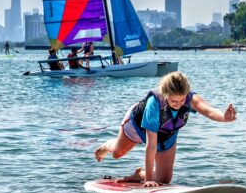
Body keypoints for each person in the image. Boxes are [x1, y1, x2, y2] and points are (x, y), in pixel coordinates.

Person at [93, 71, 237, 186]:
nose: (179, 104)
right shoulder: (154, 104)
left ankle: (139, 174)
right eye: (174, 101)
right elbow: (151, 146)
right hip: (137, 127)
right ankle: (107, 145)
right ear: (165, 94)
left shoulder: (191, 98)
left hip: (167, 135)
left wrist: (225, 118)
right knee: (118, 153)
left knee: (164, 180)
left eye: (182, 100)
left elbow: (209, 111)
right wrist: (149, 179)